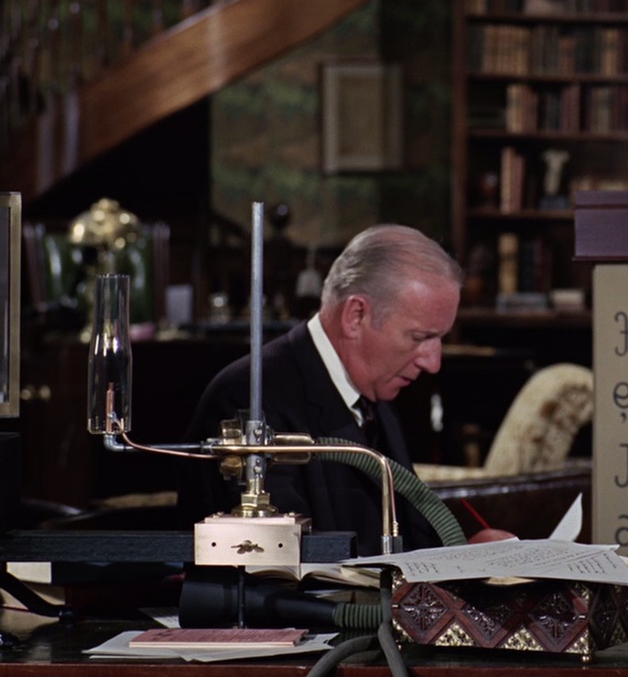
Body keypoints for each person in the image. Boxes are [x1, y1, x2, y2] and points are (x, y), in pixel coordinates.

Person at [183, 224, 463, 552]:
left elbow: (404, 538)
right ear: (356, 316)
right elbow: (280, 563)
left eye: (439, 339)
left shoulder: (376, 389)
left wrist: (466, 554)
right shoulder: (247, 401)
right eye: (420, 337)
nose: (433, 363)